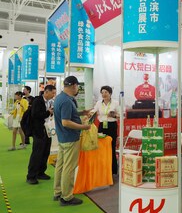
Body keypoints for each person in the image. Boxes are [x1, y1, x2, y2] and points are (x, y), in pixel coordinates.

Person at [53, 76, 90, 206]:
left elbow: (67, 115)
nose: (77, 89)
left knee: (60, 166)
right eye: (77, 86)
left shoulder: (60, 98)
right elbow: (66, 122)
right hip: (70, 138)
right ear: (74, 85)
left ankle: (58, 192)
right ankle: (67, 197)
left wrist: (81, 113)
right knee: (69, 168)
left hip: (63, 138)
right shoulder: (67, 101)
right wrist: (84, 127)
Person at [26, 85, 56, 185]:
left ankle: (41, 172)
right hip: (38, 131)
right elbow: (35, 115)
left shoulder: (50, 101)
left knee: (46, 151)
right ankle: (31, 176)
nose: (53, 95)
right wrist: (48, 112)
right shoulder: (37, 101)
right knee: (37, 153)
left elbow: (48, 114)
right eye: (52, 93)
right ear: (46, 92)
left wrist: (50, 112)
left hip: (47, 130)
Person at [93, 86, 119, 175]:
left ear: (110, 93)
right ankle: (102, 169)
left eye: (106, 92)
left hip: (112, 126)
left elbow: (121, 115)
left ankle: (112, 170)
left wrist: (114, 116)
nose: (104, 94)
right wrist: (88, 114)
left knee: (111, 147)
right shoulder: (98, 103)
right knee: (101, 148)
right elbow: (93, 112)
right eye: (102, 92)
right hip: (102, 126)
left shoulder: (115, 103)